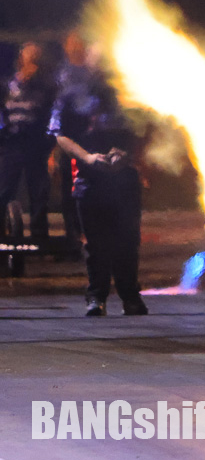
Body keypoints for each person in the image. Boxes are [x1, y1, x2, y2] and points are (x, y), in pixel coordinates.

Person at [49, 44, 146, 317]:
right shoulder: (71, 95)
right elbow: (59, 134)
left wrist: (126, 155)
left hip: (124, 180)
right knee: (95, 245)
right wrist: (88, 158)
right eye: (98, 63)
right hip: (90, 181)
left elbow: (143, 130)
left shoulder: (130, 94)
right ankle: (96, 297)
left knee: (128, 241)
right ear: (89, 66)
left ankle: (130, 297)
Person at [0, 42, 57, 242]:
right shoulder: (8, 85)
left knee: (38, 192)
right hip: (12, 143)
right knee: (4, 189)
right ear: (21, 58)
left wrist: (51, 146)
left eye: (35, 56)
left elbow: (52, 115)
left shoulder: (47, 86)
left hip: (36, 144)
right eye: (28, 55)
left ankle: (39, 238)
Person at [53, 31, 89, 251]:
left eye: (79, 43)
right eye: (71, 44)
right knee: (69, 190)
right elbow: (55, 109)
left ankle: (90, 237)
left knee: (89, 189)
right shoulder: (61, 74)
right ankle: (71, 239)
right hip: (67, 139)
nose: (75, 47)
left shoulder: (93, 72)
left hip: (90, 139)